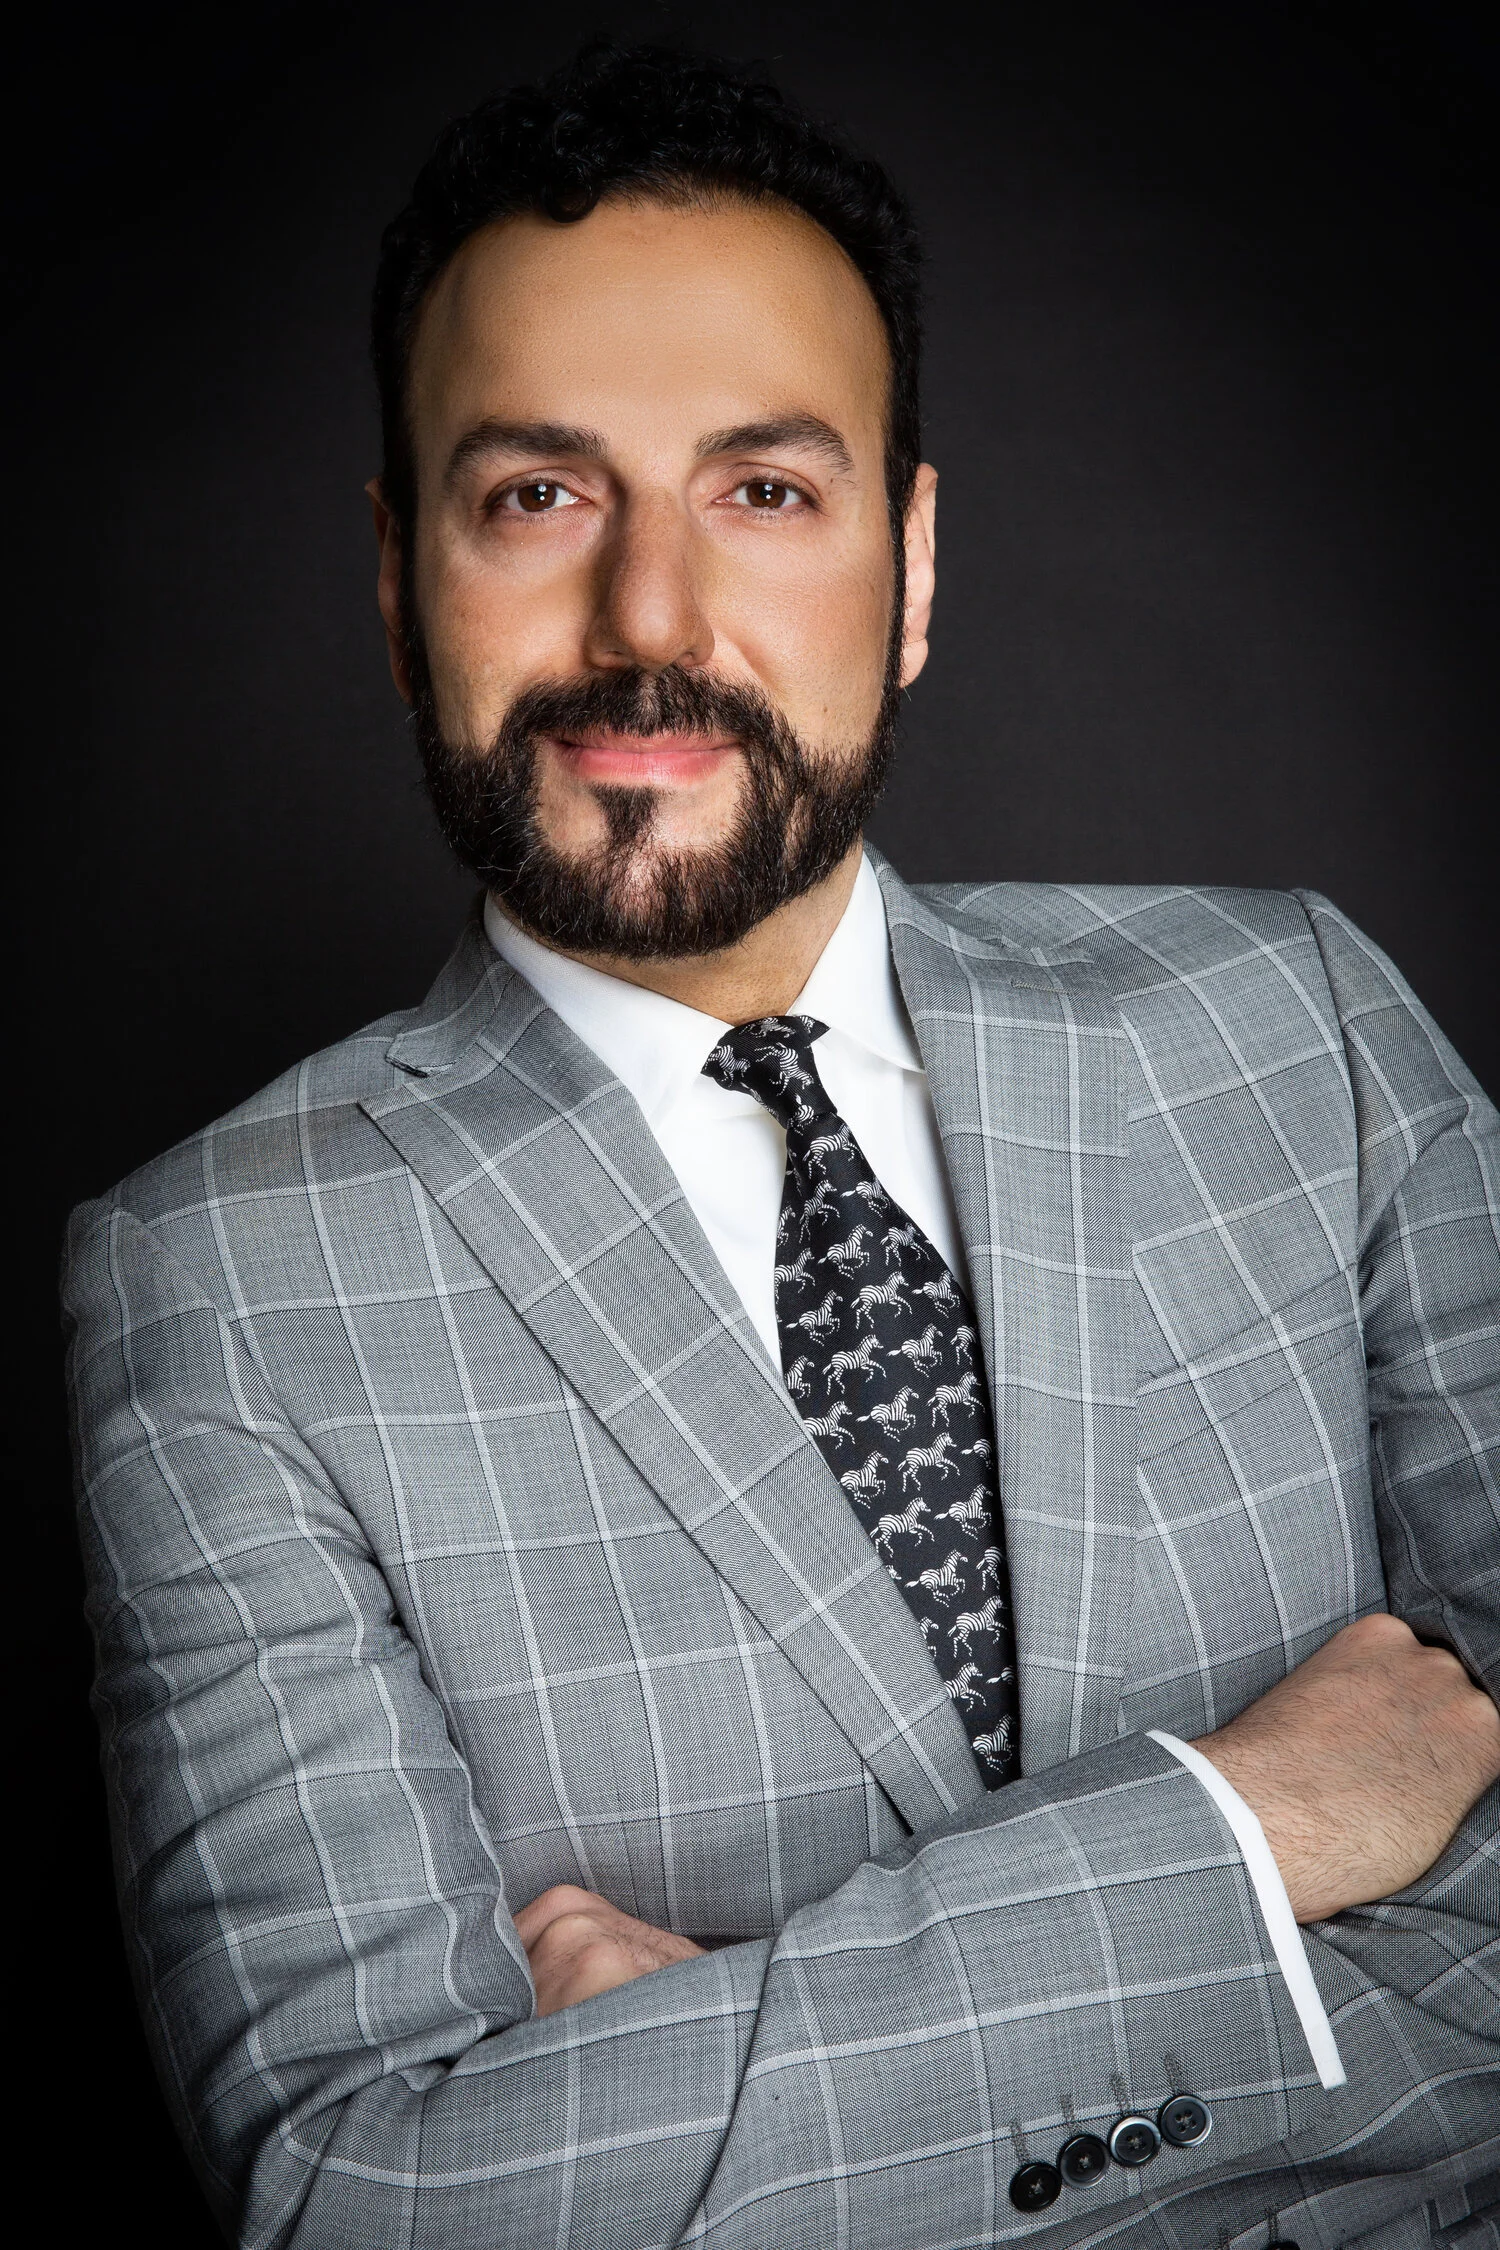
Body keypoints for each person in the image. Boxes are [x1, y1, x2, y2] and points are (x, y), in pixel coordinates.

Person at [62, 42, 1498, 2250]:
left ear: (912, 562)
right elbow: (369, 2200)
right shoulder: (222, 1286)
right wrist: (1234, 1842)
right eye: (536, 494)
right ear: (392, 573)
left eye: (765, 490)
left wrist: (732, 2061)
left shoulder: (1291, 1023)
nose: (647, 624)